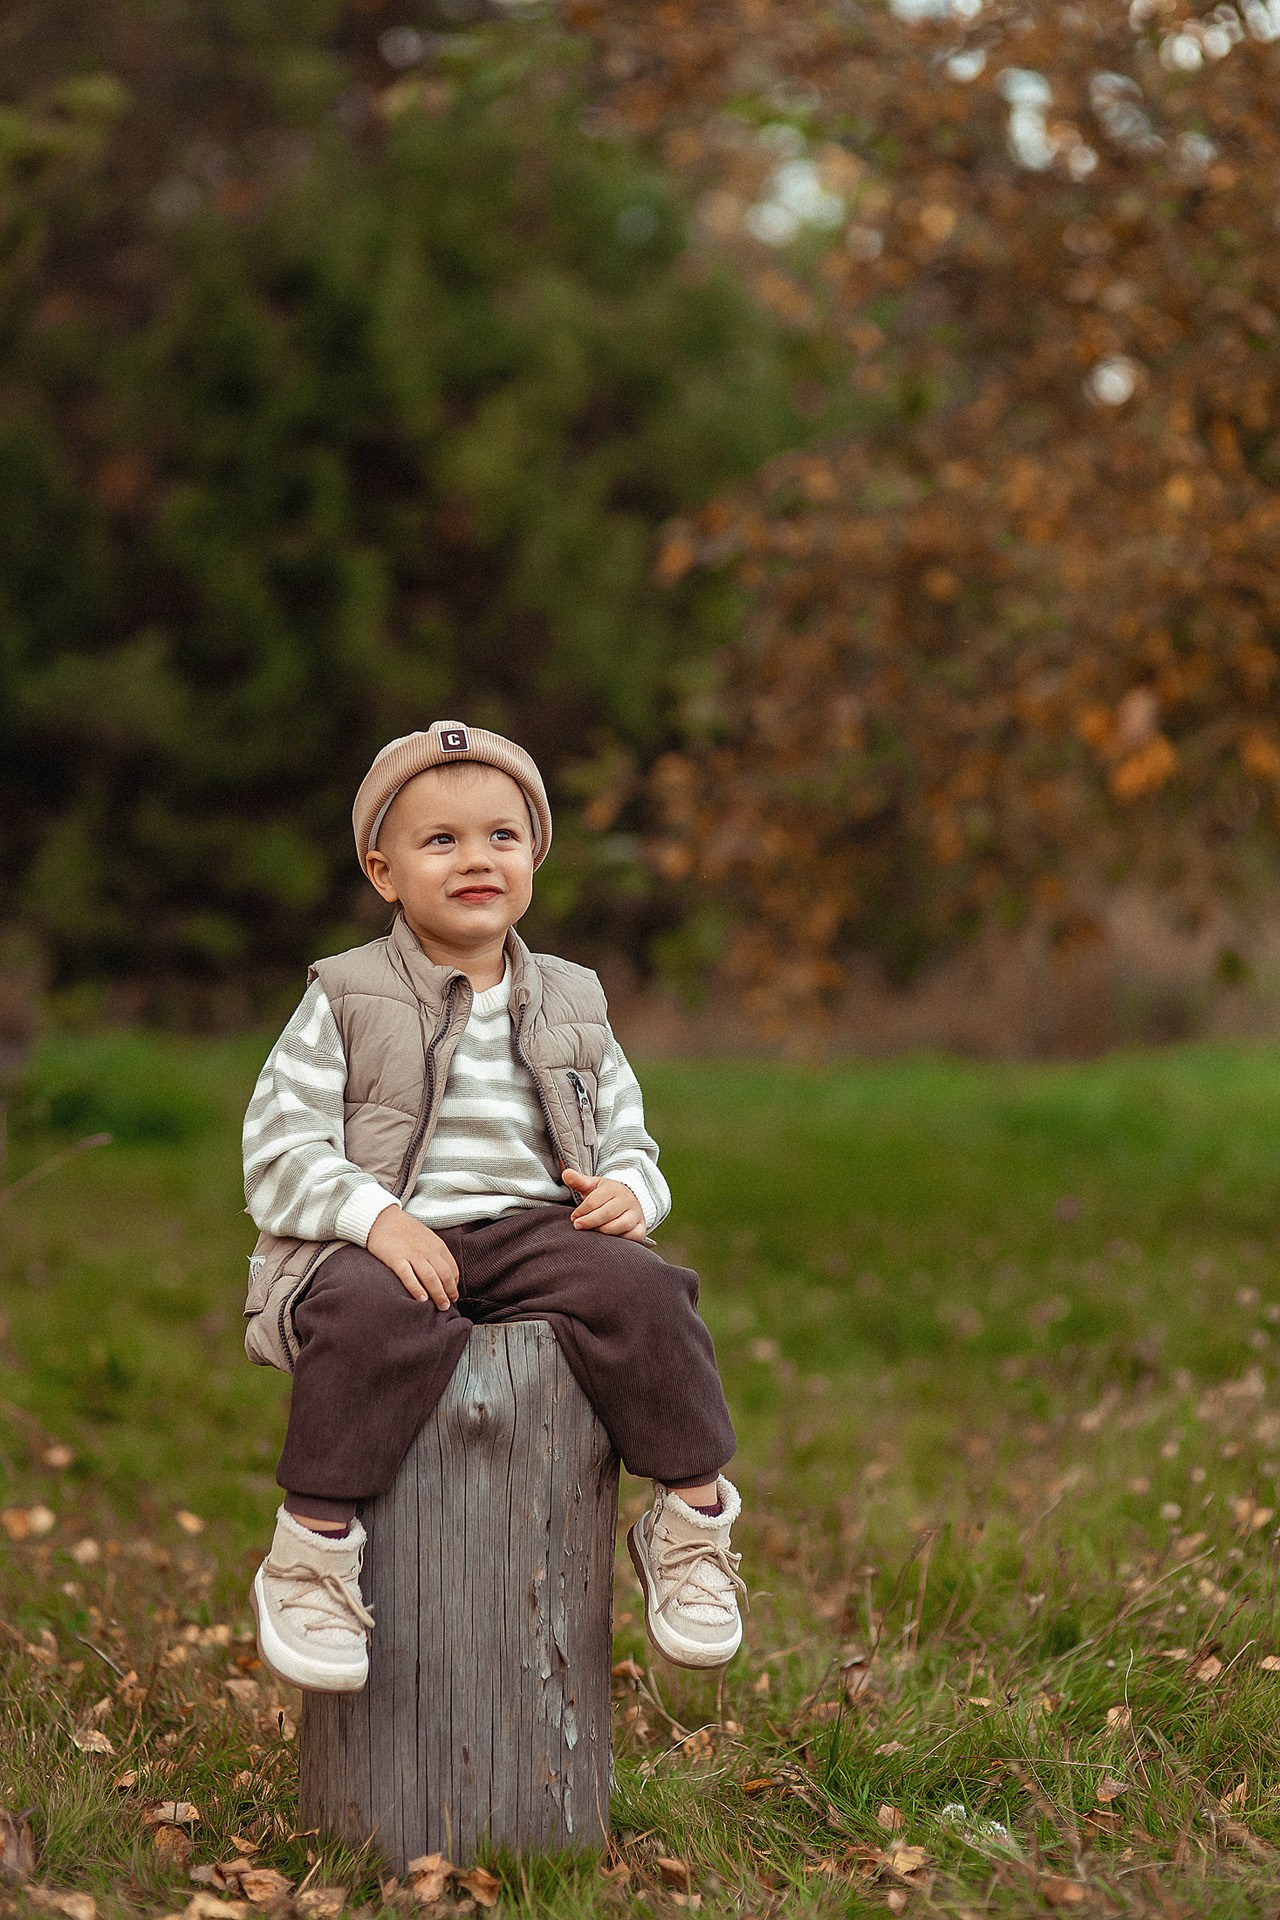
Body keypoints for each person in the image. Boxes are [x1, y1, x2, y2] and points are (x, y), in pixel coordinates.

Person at [241, 721, 744, 1692]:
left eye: (501, 837)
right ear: (385, 873)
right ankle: (310, 1549)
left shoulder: (572, 1000)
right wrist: (374, 1219)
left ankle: (691, 1516)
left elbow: (630, 1135)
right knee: (371, 1314)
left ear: (534, 856)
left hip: (532, 1232)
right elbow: (277, 1150)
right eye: (442, 841)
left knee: (644, 1290)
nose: (476, 859)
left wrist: (631, 1189)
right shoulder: (343, 995)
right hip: (382, 1239)